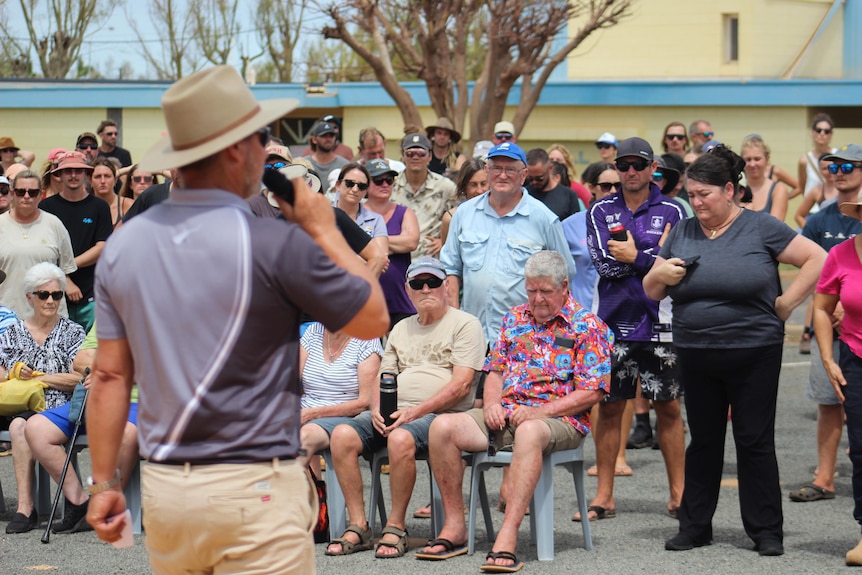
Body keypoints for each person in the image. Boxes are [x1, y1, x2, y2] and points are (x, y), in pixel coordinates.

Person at [84, 65, 388, 574]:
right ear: (234, 150)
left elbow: (111, 375)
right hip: (256, 485)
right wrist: (323, 227)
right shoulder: (274, 242)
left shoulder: (126, 246)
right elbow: (372, 317)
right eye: (260, 137)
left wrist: (103, 484)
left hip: (170, 489)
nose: (266, 150)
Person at [644, 144, 825, 556]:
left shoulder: (761, 227)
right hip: (697, 351)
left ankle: (765, 531)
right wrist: (662, 273)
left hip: (754, 350)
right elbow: (651, 290)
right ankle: (695, 526)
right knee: (704, 441)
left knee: (754, 439)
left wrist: (786, 304)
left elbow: (816, 258)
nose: (696, 202)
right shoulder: (685, 230)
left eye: (704, 194)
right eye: (691, 194)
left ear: (730, 190)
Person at [419, 250, 613, 571]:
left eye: (546, 291)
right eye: (531, 290)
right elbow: (494, 370)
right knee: (442, 428)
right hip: (507, 412)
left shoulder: (588, 326)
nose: (537, 299)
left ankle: (508, 534)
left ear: (565, 286)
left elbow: (592, 391)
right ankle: (454, 527)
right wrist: (492, 403)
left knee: (529, 430)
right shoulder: (515, 318)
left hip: (559, 420)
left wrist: (540, 412)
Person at [325, 256, 485, 559]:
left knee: (400, 438)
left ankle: (396, 526)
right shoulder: (400, 328)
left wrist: (416, 412)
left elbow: (462, 385)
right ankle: (359, 525)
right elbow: (384, 377)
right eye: (418, 284)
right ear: (407, 290)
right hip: (395, 412)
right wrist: (374, 408)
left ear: (446, 287)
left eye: (433, 282)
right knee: (342, 435)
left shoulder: (466, 324)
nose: (426, 289)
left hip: (440, 417)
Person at [581, 137, 687, 522]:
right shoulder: (599, 209)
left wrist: (634, 256)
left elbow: (678, 267)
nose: (630, 172)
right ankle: (604, 495)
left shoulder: (675, 209)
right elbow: (605, 266)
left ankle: (680, 496)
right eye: (623, 165)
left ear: (652, 167)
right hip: (612, 324)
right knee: (609, 409)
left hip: (662, 324)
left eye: (638, 165)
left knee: (669, 409)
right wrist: (653, 259)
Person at [440, 141, 576, 347]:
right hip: (472, 335)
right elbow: (450, 269)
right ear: (486, 171)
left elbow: (565, 275)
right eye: (496, 168)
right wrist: (455, 320)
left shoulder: (544, 219)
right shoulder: (464, 214)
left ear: (524, 174)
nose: (502, 175)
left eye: (510, 169)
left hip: (526, 337)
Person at [789, 144, 862, 505]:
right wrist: (828, 305)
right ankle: (825, 477)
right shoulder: (820, 220)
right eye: (833, 167)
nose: (839, 172)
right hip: (829, 332)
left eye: (848, 166)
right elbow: (807, 266)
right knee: (828, 403)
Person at [25, 322, 140, 534]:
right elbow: (79, 361)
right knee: (36, 427)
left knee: (125, 433)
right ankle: (80, 502)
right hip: (93, 400)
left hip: (137, 402)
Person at [0, 262, 85, 534]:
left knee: (23, 426)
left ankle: (32, 507)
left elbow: (81, 378)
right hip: (23, 407)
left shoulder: (74, 333)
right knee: (18, 425)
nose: (51, 301)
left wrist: (40, 378)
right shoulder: (12, 334)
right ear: (29, 297)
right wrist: (14, 372)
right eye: (43, 295)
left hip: (62, 409)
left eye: (57, 295)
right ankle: (26, 508)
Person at [814, 181, 862, 566]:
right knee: (861, 449)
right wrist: (829, 358)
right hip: (855, 360)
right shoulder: (841, 255)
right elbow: (820, 307)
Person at [39, 151, 112, 333]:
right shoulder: (45, 208)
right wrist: (66, 278)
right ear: (59, 175)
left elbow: (102, 247)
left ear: (86, 174)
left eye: (78, 171)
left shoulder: (99, 207)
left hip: (92, 293)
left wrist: (68, 267)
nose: (73, 175)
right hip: (53, 294)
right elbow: (43, 249)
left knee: (92, 352)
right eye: (68, 171)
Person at [298, 322, 384, 476]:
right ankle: (310, 495)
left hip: (343, 416)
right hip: (304, 409)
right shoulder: (313, 331)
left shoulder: (367, 338)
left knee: (302, 438)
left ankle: (284, 496)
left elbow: (365, 402)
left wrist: (312, 414)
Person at [0, 171, 76, 319]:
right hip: (7, 319)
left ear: (41, 194)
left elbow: (65, 268)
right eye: (21, 192)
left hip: (51, 319)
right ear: (12, 193)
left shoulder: (55, 224)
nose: (26, 196)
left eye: (33, 192)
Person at [363, 158, 420, 329]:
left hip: (400, 299)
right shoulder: (357, 213)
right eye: (378, 180)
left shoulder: (404, 212)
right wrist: (393, 243)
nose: (385, 184)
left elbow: (411, 242)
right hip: (366, 299)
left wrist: (371, 245)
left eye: (390, 180)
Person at [390, 133, 457, 258]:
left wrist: (444, 241)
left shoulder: (446, 187)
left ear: (430, 156)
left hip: (430, 262)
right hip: (396, 257)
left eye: (421, 153)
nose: (416, 157)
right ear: (403, 155)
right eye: (410, 153)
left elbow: (458, 221)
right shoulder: (389, 185)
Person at [333, 162, 389, 257]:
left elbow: (381, 259)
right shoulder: (323, 214)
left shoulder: (376, 220)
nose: (355, 189)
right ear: (338, 185)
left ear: (366, 191)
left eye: (361, 186)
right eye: (349, 183)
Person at [740, 134, 789, 222]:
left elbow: (775, 228)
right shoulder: (735, 190)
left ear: (767, 159)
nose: (752, 164)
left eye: (757, 159)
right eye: (748, 159)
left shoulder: (778, 190)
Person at [440, 157, 488, 246]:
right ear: (464, 186)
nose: (480, 190)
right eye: (473, 185)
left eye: (483, 184)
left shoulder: (500, 215)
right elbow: (447, 257)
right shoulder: (451, 218)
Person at [525, 148, 581, 220]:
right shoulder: (524, 194)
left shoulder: (569, 196)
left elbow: (574, 226)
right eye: (530, 178)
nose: (534, 182)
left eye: (539, 178)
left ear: (550, 168)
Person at [798, 113, 836, 200]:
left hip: (834, 205)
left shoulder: (838, 155)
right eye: (818, 130)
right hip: (813, 208)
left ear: (831, 135)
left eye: (826, 131)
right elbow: (802, 186)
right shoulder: (804, 160)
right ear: (812, 132)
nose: (822, 134)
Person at [795, 153, 838, 229]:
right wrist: (811, 233)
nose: (829, 171)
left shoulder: (848, 187)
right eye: (824, 168)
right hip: (825, 233)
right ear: (819, 170)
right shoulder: (816, 191)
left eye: (831, 167)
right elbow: (799, 215)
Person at [90, 158, 133, 228]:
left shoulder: (128, 206)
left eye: (107, 176)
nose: (103, 181)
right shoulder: (85, 206)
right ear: (90, 181)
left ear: (115, 180)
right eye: (98, 177)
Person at [308, 121, 349, 190]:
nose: (328, 139)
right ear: (314, 139)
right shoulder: (305, 164)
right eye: (324, 136)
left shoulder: (345, 165)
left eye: (331, 136)